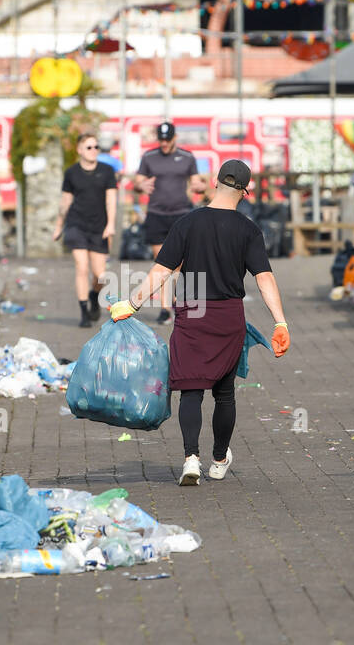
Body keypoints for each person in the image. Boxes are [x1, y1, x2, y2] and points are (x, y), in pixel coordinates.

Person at [110, 159, 290, 486]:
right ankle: (219, 459)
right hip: (228, 314)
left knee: (191, 390)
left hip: (192, 308)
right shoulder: (249, 230)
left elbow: (161, 271)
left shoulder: (186, 223)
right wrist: (281, 323)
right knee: (224, 393)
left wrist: (132, 304)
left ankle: (191, 458)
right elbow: (265, 278)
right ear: (245, 192)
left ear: (215, 183)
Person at [135, 121, 207, 324]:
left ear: (175, 138)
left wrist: (199, 186)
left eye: (168, 140)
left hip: (181, 214)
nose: (164, 143)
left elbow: (196, 182)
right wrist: (141, 185)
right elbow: (137, 182)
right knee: (162, 262)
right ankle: (166, 308)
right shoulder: (149, 157)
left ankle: (176, 301)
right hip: (156, 214)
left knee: (179, 264)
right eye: (161, 140)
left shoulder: (187, 157)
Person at [54, 133, 117, 327]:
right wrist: (58, 226)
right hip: (76, 224)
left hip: (99, 226)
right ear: (80, 150)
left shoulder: (107, 171)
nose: (93, 151)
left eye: (96, 147)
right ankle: (83, 312)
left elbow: (111, 199)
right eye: (89, 147)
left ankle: (94, 294)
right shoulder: (71, 173)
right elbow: (65, 202)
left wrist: (111, 224)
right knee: (81, 267)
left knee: (99, 274)